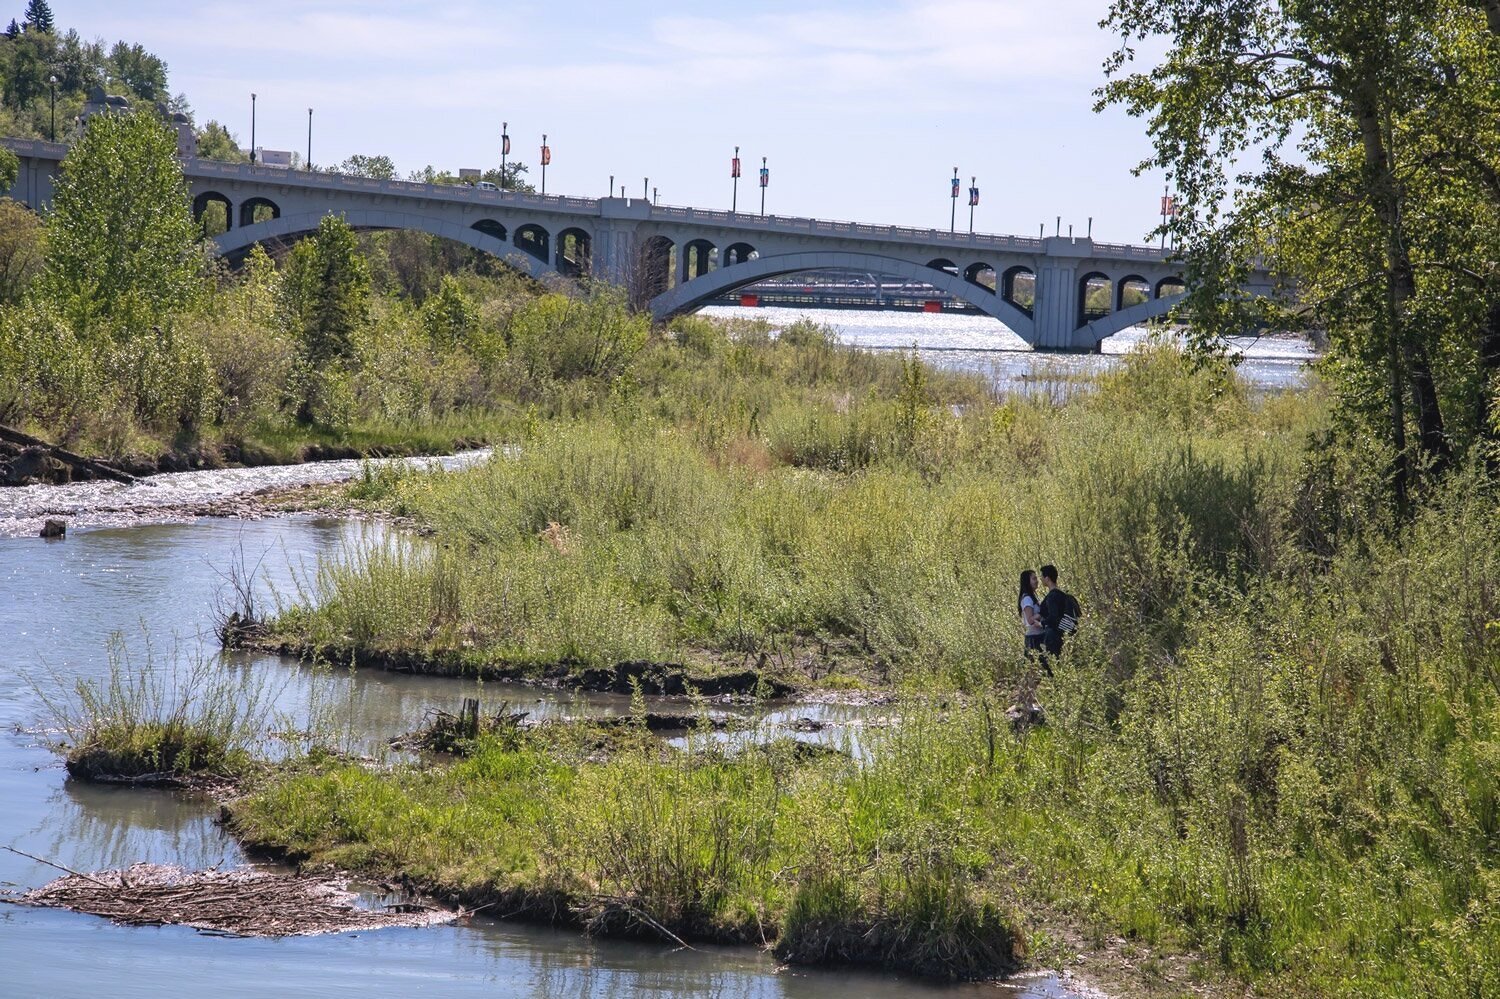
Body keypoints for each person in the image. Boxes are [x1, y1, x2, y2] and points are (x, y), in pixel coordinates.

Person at [1038, 564, 1079, 658]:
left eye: (1042, 577)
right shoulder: (1062, 594)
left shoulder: (1052, 597)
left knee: (1052, 663)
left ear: (1047, 578)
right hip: (1063, 634)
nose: (1041, 579)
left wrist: (1041, 623)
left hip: (1053, 636)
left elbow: (1053, 616)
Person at [1018, 569, 1045, 659]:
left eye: (1036, 578)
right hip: (1034, 639)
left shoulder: (1033, 597)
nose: (1037, 581)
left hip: (1038, 636)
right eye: (1034, 579)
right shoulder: (1027, 599)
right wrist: (1042, 613)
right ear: (1027, 582)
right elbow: (1030, 620)